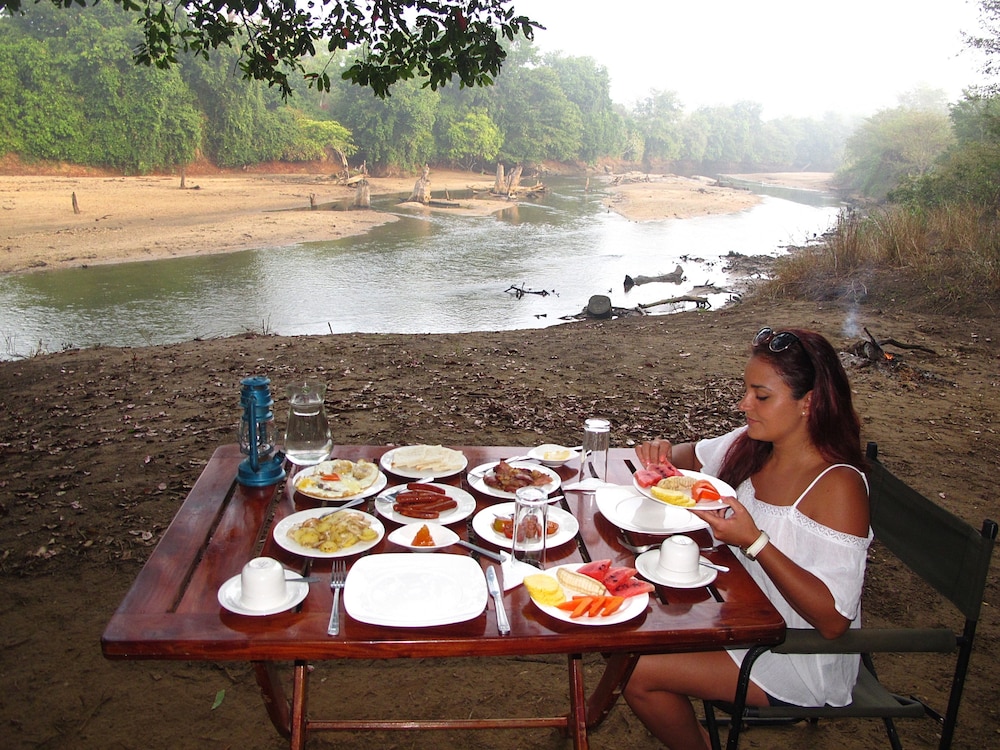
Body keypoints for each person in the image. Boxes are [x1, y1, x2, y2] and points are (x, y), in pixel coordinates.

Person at [624, 327, 872, 750]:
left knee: (635, 671)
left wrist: (754, 542)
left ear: (808, 403)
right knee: (633, 622)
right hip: (738, 614)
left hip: (795, 653)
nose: (744, 405)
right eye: (746, 391)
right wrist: (661, 454)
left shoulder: (838, 486)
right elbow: (686, 457)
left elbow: (833, 622)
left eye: (761, 396)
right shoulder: (753, 445)